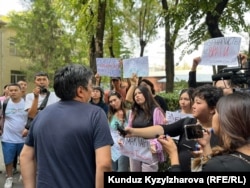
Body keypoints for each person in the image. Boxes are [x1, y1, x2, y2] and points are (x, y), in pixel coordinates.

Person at [20, 64, 113, 188]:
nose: (92, 91)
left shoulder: (41, 115)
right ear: (80, 91)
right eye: (90, 86)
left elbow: (25, 156)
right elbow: (104, 164)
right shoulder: (96, 114)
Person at [124, 84, 223, 171]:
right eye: (194, 102)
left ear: (212, 109)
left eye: (198, 103)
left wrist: (205, 156)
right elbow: (161, 129)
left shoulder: (223, 134)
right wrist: (133, 131)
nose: (193, 106)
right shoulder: (187, 122)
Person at [159, 91, 250, 172]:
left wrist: (173, 155)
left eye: (216, 113)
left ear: (225, 120)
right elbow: (197, 170)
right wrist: (203, 153)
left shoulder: (221, 165)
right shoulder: (238, 156)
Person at [127, 85, 166, 172]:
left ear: (146, 94)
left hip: (149, 149)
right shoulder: (133, 112)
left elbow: (162, 131)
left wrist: (155, 144)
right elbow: (129, 128)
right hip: (135, 147)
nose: (137, 96)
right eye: (135, 94)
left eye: (140, 93)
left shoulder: (156, 111)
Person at [1, 83, 27, 188]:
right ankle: (9, 178)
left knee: (25, 159)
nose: (13, 92)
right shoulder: (4, 102)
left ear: (21, 91)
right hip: (8, 137)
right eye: (10, 90)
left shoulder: (27, 102)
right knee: (8, 160)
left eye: (15, 90)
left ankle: (24, 175)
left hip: (24, 138)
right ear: (7, 91)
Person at [22, 72, 60, 137]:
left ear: (48, 82)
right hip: (36, 129)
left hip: (53, 129)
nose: (41, 82)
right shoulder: (30, 96)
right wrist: (36, 97)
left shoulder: (56, 95)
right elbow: (31, 115)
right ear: (35, 82)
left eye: (44, 79)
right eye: (39, 80)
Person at [108, 91, 130, 171]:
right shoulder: (110, 115)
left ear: (120, 99)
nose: (113, 103)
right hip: (112, 147)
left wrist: (122, 120)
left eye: (115, 100)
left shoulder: (128, 113)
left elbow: (130, 130)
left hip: (124, 146)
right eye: (111, 101)